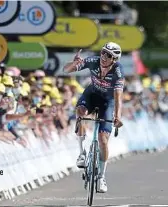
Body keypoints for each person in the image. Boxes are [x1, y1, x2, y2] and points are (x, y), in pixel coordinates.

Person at [63, 42, 125, 193]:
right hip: (91, 95)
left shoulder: (118, 71)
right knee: (80, 112)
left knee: (103, 140)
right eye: (103, 52)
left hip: (107, 102)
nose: (104, 57)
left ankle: (101, 177)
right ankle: (82, 153)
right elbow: (66, 70)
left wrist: (117, 116)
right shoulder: (93, 61)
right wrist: (74, 63)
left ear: (114, 59)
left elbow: (118, 97)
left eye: (108, 55)